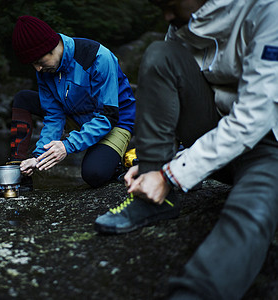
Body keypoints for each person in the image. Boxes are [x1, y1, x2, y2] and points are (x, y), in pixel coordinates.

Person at [94, 0, 278, 298]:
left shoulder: (268, 11)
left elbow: (254, 119)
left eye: (170, 4)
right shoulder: (179, 26)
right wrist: (156, 165)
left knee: (251, 211)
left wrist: (171, 174)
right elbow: (170, 106)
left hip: (269, 143)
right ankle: (155, 202)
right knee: (159, 54)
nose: (166, 15)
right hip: (216, 133)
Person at [0, 15, 136, 192]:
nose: (38, 69)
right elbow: (54, 116)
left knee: (94, 174)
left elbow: (108, 116)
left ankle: (123, 161)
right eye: (33, 64)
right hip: (77, 116)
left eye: (39, 62)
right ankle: (19, 173)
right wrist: (38, 157)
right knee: (23, 98)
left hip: (114, 122)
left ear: (52, 47)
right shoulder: (45, 70)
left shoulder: (98, 57)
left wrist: (66, 145)